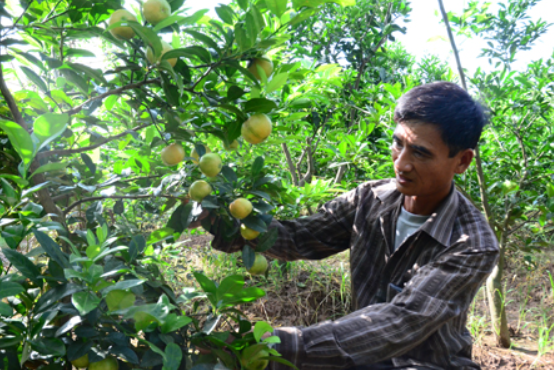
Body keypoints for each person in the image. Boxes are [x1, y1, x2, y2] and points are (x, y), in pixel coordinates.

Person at [203, 82, 499, 370]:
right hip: (361, 357)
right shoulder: (368, 199)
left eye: (420, 152)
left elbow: (401, 321)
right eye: (398, 143)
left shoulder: (471, 243)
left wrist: (272, 346)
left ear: (462, 161)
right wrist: (221, 219)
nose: (401, 164)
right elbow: (300, 238)